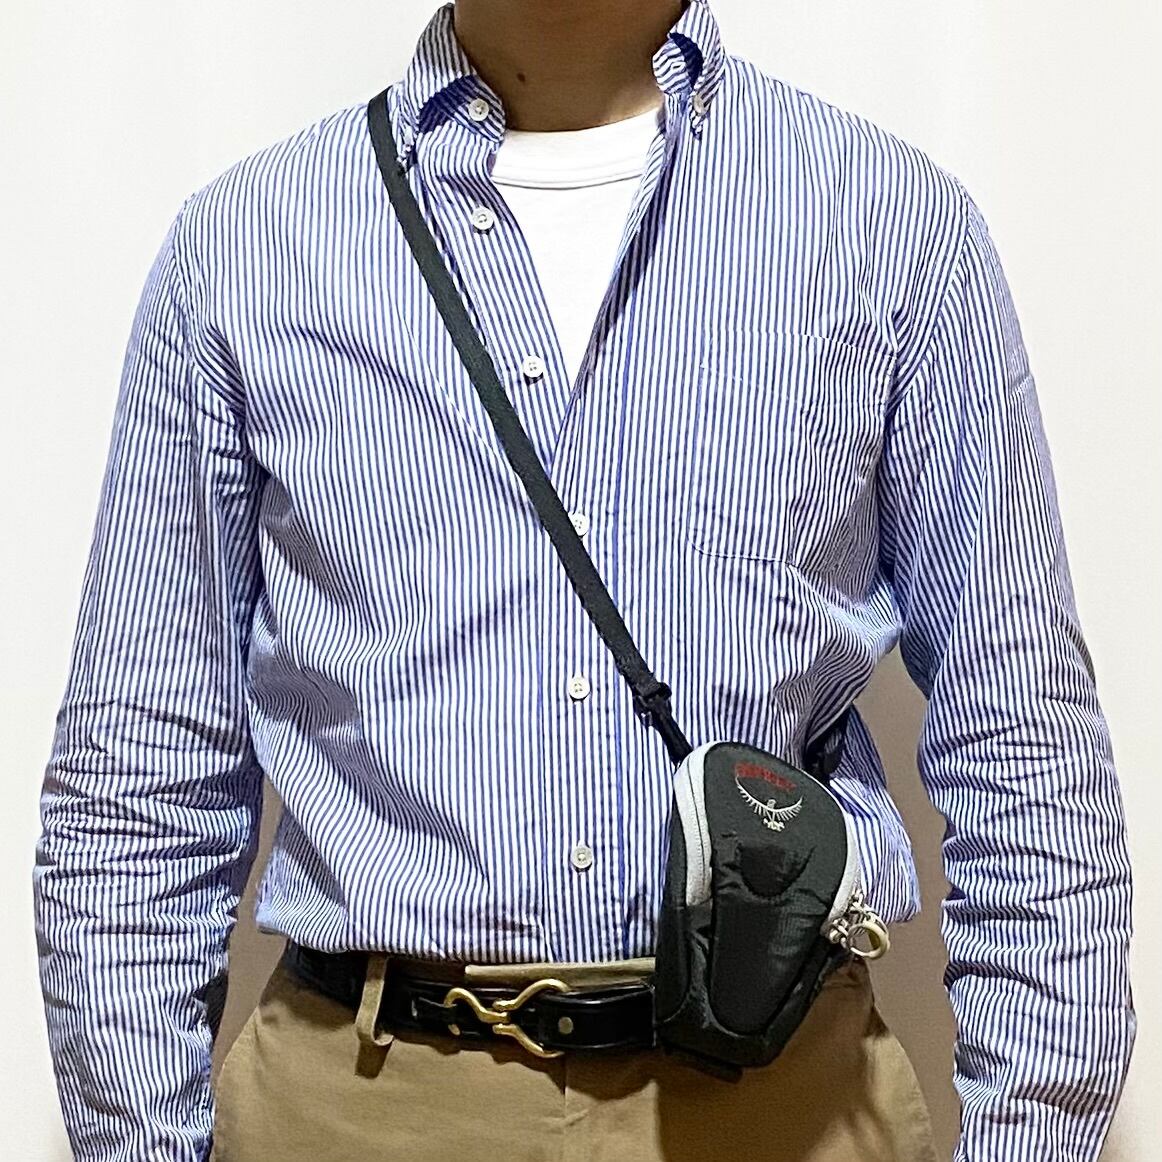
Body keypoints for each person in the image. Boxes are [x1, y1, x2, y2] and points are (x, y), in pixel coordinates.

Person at [33, 0, 1135, 1159]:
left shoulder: (891, 226)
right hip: (361, 1106)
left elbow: (1025, 741)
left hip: (781, 1105)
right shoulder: (243, 251)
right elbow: (138, 780)